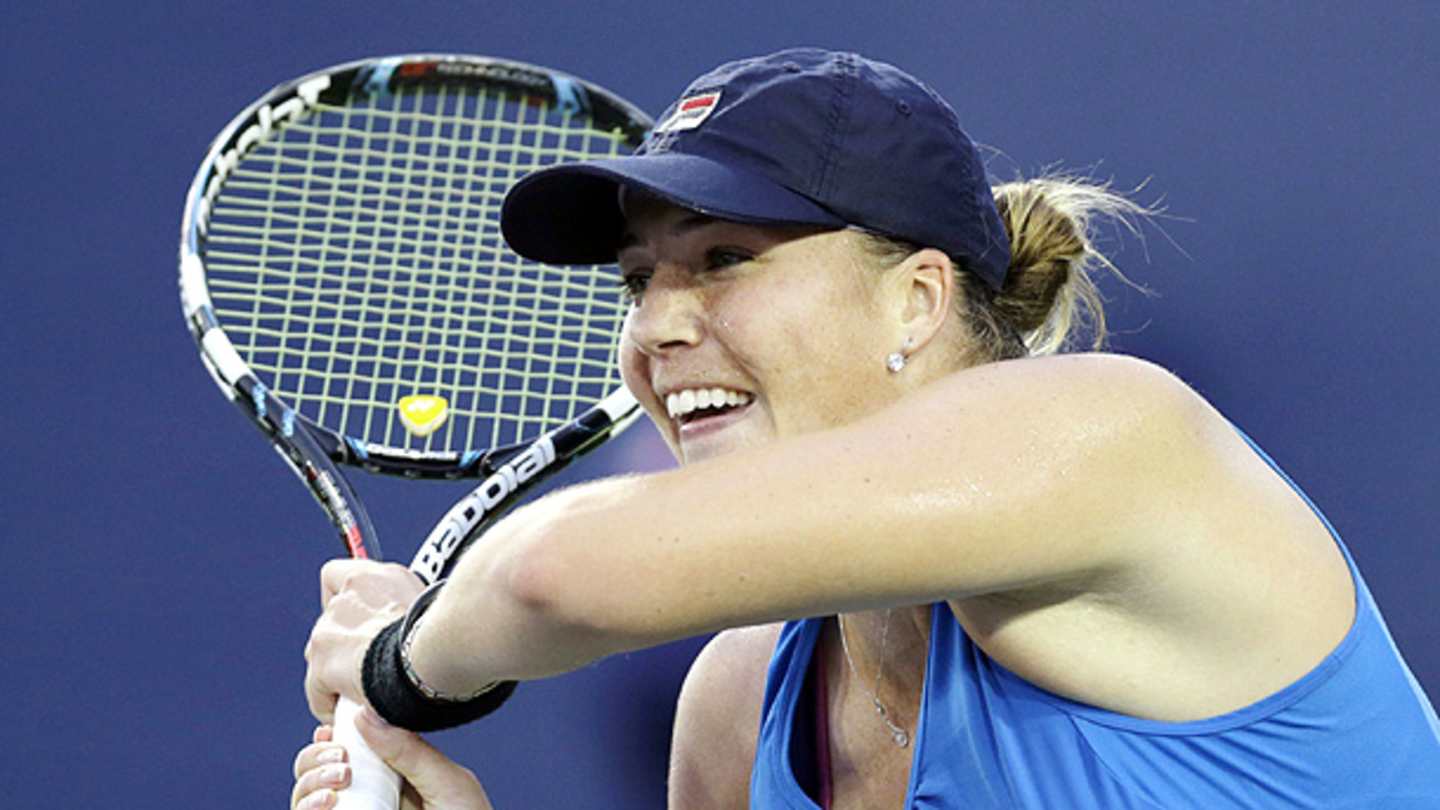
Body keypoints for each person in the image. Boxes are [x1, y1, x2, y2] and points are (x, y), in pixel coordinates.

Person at [294, 48, 1440, 809]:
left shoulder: (1112, 436)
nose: (655, 328)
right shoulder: (737, 712)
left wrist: (403, 658)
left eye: (724, 259)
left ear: (919, 301)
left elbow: (555, 577)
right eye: (639, 282)